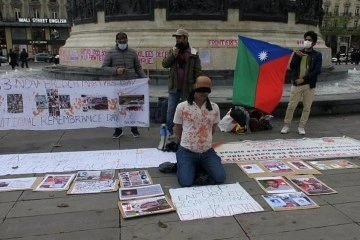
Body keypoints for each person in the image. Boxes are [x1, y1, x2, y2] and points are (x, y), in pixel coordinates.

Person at [174, 75, 226, 187]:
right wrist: (185, 143)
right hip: (186, 150)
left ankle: (202, 164)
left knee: (220, 177)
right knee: (185, 182)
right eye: (201, 88)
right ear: (194, 87)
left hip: (206, 151)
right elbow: (177, 129)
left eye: (207, 89)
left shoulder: (214, 107)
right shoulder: (182, 107)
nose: (204, 92)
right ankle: (185, 163)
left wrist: (204, 142)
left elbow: (213, 129)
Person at [101, 32, 147, 138]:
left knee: (133, 107)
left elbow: (138, 67)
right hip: (117, 85)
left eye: (124, 40)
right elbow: (104, 67)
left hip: (131, 84)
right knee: (117, 108)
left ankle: (134, 129)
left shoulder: (132, 52)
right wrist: (116, 70)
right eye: (120, 40)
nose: (122, 42)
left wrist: (144, 78)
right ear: (116, 41)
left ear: (127, 40)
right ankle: (118, 130)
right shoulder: (111, 53)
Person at [280, 31, 322, 135]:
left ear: (314, 42)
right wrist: (297, 57)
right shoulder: (298, 52)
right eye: (306, 39)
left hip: (309, 85)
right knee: (291, 106)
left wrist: (304, 79)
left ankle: (301, 126)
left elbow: (317, 70)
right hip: (297, 84)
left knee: (307, 107)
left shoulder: (317, 55)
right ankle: (286, 125)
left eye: (310, 40)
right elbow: (292, 67)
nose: (307, 41)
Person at [162, 28, 202, 136]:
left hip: (188, 88)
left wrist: (196, 84)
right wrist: (173, 55)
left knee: (187, 111)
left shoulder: (193, 53)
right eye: (176, 38)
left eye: (179, 37)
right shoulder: (173, 50)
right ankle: (170, 133)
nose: (177, 40)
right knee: (171, 111)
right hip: (174, 87)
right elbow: (165, 64)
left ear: (185, 38)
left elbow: (198, 71)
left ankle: (186, 133)